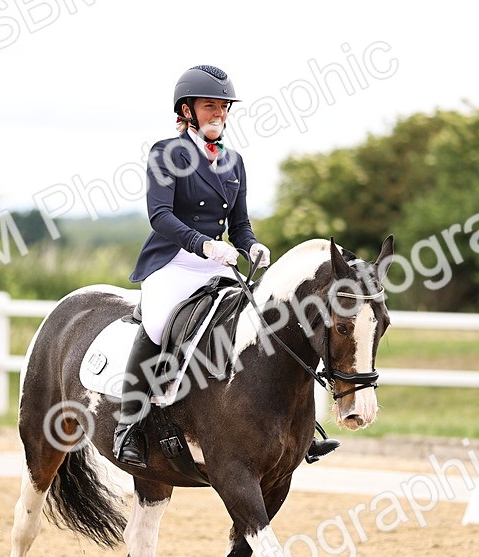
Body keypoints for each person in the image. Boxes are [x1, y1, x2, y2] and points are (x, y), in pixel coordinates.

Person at [113, 65, 338, 468]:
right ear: (187, 110)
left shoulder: (234, 162)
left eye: (223, 106)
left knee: (262, 323)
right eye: (209, 106)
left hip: (218, 263)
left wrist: (252, 247)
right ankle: (129, 424)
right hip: (173, 262)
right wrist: (203, 244)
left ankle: (299, 428)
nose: (219, 113)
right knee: (158, 323)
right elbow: (160, 216)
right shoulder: (166, 153)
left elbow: (240, 225)